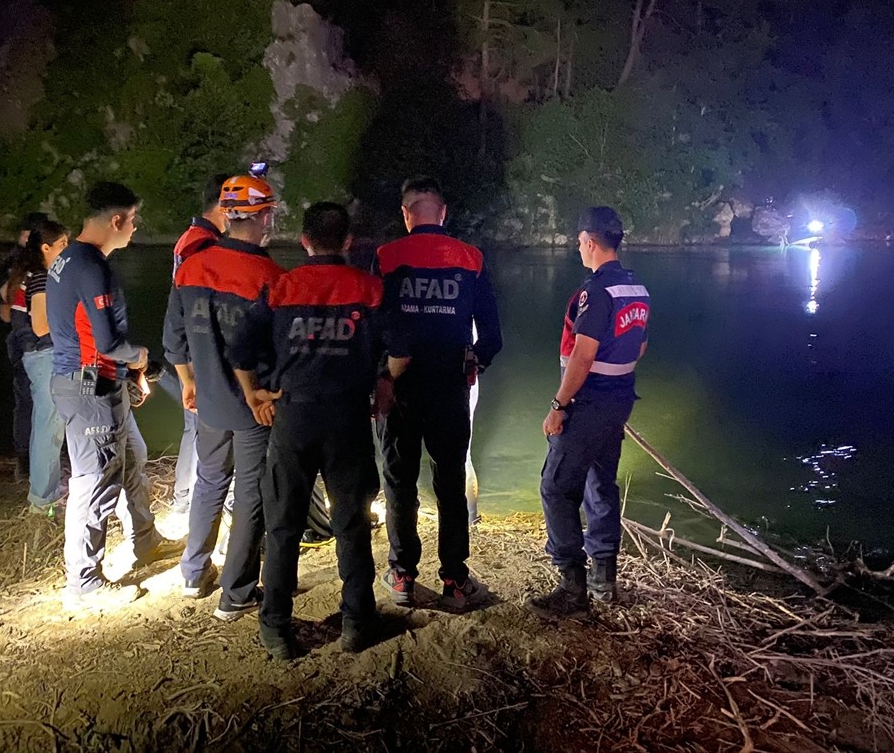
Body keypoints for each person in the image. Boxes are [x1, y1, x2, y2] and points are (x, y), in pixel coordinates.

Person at [239, 202, 409, 660]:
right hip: (348, 419)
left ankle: (275, 628)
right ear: (348, 242)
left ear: (305, 241)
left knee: (283, 525)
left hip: (292, 417)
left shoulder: (279, 287)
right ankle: (357, 621)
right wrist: (385, 385)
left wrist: (255, 395)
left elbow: (239, 351)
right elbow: (402, 348)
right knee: (352, 523)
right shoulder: (370, 288)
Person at [47, 182, 182, 608]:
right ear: (117, 220)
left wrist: (127, 372)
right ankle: (84, 584)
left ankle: (146, 540)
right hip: (90, 386)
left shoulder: (67, 259)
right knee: (95, 481)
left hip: (97, 381)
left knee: (132, 457)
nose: (136, 227)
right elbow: (106, 343)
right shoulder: (92, 266)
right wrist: (141, 358)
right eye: (134, 218)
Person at [373, 176, 502, 611]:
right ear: (443, 212)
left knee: (399, 482)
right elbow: (492, 334)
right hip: (449, 387)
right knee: (449, 483)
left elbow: (376, 325)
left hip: (399, 386)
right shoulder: (471, 258)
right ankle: (455, 578)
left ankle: (403, 574)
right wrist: (475, 361)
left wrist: (379, 378)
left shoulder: (386, 257)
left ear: (407, 214)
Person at [163, 173, 283, 620]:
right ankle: (236, 592)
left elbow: (173, 336)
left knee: (210, 480)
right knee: (251, 491)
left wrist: (188, 381)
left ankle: (194, 573)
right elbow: (276, 349)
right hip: (254, 406)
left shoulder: (191, 265)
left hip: (208, 397)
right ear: (265, 216)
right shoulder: (269, 275)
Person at [529, 207, 650, 617]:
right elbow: (640, 347)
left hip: (589, 402)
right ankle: (604, 581)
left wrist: (559, 405)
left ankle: (572, 589)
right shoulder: (636, 290)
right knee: (601, 485)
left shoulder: (594, 292)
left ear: (591, 242)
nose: (578, 248)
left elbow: (582, 355)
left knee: (556, 487)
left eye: (579, 242)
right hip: (619, 401)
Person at [164, 173, 231, 514]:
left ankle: (183, 499)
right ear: (223, 206)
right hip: (199, 351)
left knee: (195, 428)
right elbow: (193, 305)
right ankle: (191, 502)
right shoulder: (201, 245)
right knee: (204, 428)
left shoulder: (190, 238)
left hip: (190, 349)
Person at [6, 219, 69, 513]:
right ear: (46, 248)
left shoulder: (23, 274)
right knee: (50, 428)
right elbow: (42, 326)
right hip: (45, 356)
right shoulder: (42, 278)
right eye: (62, 245)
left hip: (31, 356)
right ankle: (44, 499)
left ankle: (46, 486)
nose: (66, 250)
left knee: (42, 425)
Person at [0, 211, 48, 478]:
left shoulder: (17, 264)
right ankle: (31, 465)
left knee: (27, 403)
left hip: (20, 339)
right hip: (31, 343)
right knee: (35, 404)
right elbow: (6, 306)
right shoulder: (29, 268)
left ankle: (26, 462)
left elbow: (5, 304)